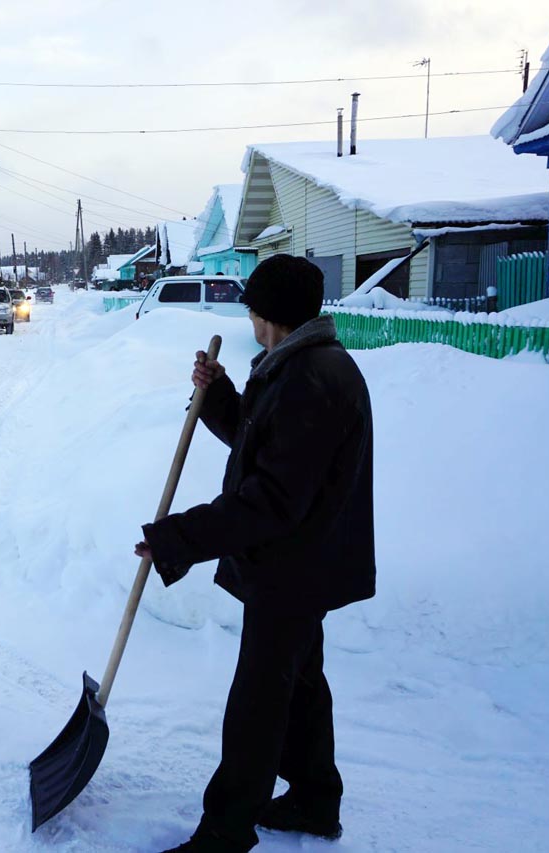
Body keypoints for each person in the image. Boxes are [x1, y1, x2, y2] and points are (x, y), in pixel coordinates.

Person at [135, 254, 376, 853]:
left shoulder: (310, 379)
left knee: (259, 703)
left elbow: (271, 499)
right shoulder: (302, 368)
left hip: (293, 567)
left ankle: (226, 829)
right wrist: (218, 396)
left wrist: (179, 539)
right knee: (299, 684)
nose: (247, 315)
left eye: (251, 305)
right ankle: (315, 799)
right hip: (304, 563)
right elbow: (261, 442)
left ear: (267, 313)